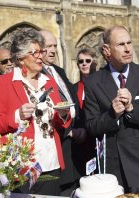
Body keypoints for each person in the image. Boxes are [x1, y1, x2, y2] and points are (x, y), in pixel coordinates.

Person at [0, 29, 72, 195]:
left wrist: (63, 114)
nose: (41, 56)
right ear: (20, 58)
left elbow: (60, 122)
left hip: (51, 162)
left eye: (41, 51)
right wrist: (17, 115)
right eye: (35, 53)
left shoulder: (49, 82)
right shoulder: (4, 83)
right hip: (21, 166)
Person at [84, 25, 139, 193]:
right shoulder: (93, 82)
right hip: (113, 169)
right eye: (121, 44)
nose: (127, 49)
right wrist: (112, 114)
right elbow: (91, 126)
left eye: (129, 43)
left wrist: (132, 109)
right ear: (107, 50)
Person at [39, 30, 84, 195]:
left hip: (74, 140)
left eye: (54, 46)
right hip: (57, 138)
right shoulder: (37, 75)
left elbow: (71, 99)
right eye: (48, 47)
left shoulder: (59, 71)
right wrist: (68, 131)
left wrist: (78, 126)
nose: (52, 50)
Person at [72, 48, 97, 176]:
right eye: (81, 61)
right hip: (80, 141)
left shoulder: (101, 85)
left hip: (96, 139)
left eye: (88, 60)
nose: (84, 64)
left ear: (95, 63)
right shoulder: (73, 88)